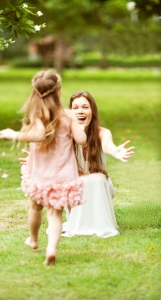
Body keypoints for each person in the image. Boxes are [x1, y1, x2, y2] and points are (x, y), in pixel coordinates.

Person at [0, 70, 87, 265]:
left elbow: (39, 135)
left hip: (41, 174)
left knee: (35, 206)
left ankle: (33, 239)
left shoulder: (39, 115)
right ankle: (51, 250)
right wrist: (76, 124)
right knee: (56, 213)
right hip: (63, 174)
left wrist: (15, 134)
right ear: (59, 91)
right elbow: (82, 140)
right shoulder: (67, 116)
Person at [61, 91, 134, 238]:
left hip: (101, 184)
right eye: (75, 108)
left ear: (92, 111)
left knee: (98, 178)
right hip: (74, 184)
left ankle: (102, 223)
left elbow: (107, 144)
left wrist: (115, 152)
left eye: (85, 107)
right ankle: (76, 222)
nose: (80, 111)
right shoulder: (65, 134)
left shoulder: (102, 132)